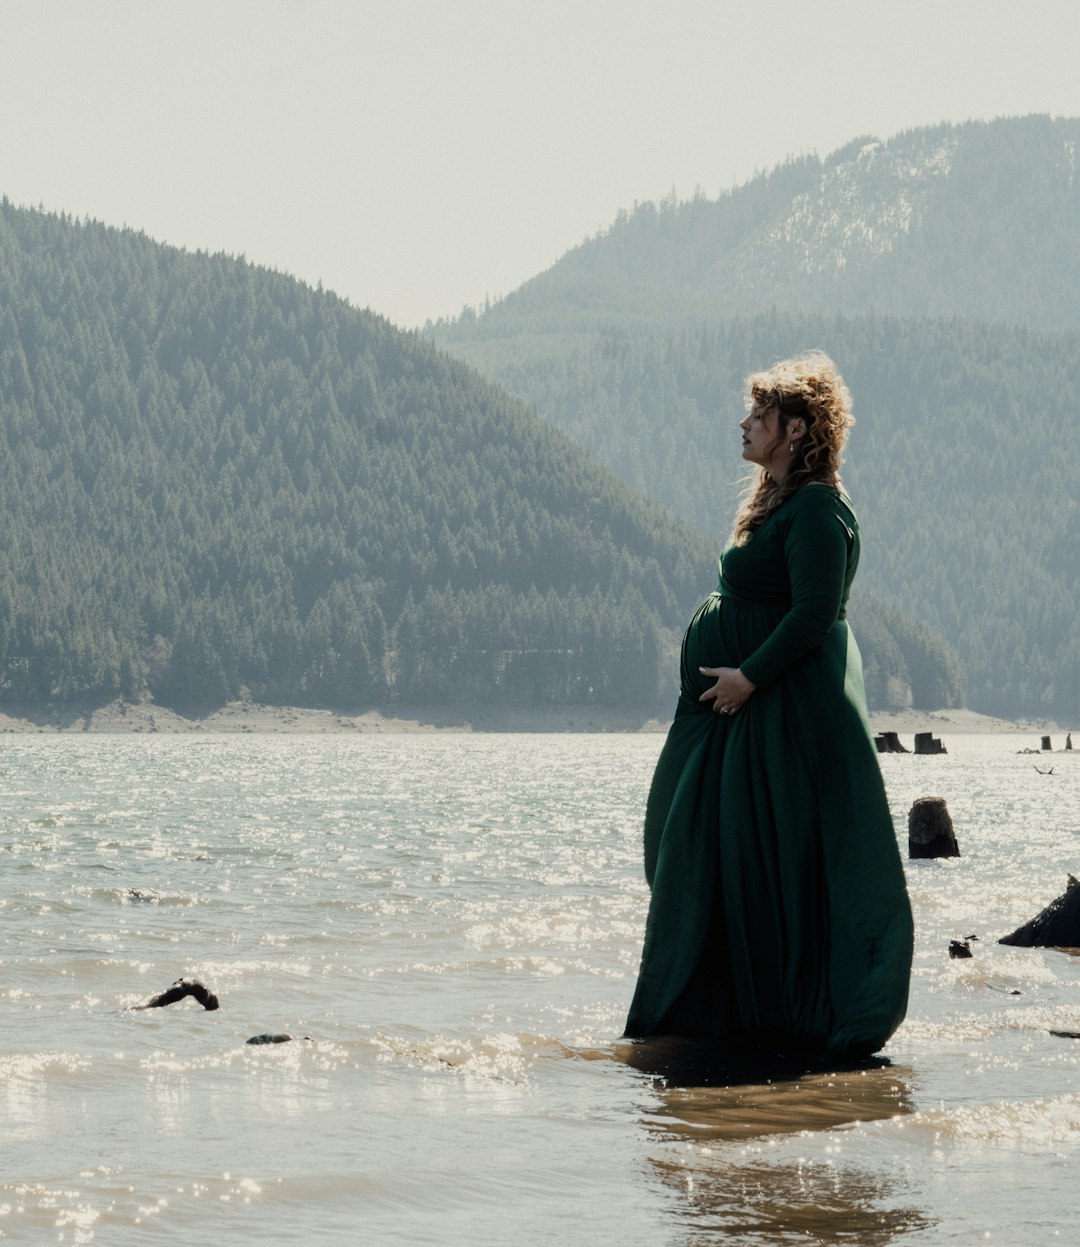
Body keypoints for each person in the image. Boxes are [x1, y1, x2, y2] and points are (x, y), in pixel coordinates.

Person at [624, 352, 912, 1059]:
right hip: (736, 723)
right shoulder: (775, 503)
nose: (745, 423)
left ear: (794, 428)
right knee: (689, 847)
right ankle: (726, 1019)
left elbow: (815, 614)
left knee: (769, 868)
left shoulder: (817, 507)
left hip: (771, 722)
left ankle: (779, 1025)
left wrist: (747, 676)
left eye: (759, 415)